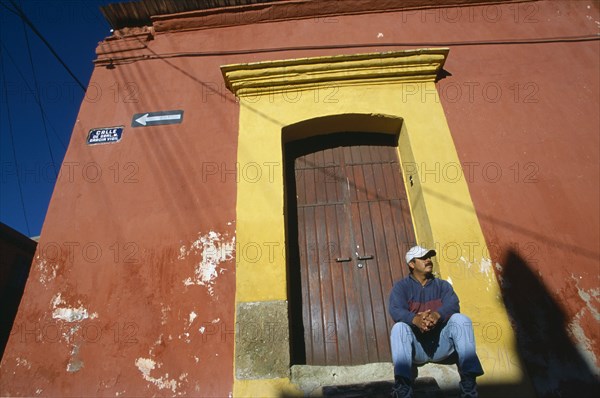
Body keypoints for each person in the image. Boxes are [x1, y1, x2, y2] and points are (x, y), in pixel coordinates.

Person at [389, 245, 484, 398]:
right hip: (417, 348)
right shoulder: (401, 287)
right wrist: (416, 319)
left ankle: (469, 385)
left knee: (461, 320)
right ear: (412, 264)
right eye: (423, 258)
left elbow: (453, 305)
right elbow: (396, 310)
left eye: (430, 257)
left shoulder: (443, 285)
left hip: (441, 345)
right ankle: (403, 387)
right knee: (399, 328)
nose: (428, 260)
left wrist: (436, 315)